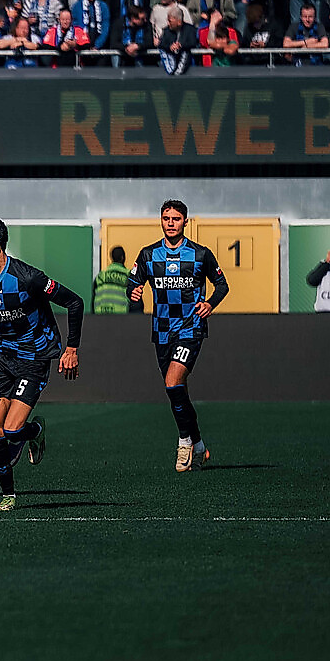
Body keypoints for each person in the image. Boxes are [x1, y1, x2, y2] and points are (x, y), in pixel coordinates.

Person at [0, 216, 83, 511]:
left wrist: (71, 348)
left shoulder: (28, 277)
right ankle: (9, 495)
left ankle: (34, 432)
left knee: (13, 430)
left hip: (33, 358)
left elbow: (75, 302)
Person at [124, 199, 229, 472]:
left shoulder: (200, 254)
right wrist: (133, 291)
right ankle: (199, 445)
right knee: (176, 391)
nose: (170, 223)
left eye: (176, 219)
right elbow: (132, 281)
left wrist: (210, 304)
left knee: (172, 382)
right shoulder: (148, 254)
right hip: (161, 331)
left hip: (190, 328)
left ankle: (184, 443)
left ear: (185, 222)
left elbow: (221, 285)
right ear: (161, 220)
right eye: (166, 218)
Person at [91, 245, 138, 313]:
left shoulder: (101, 276)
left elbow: (94, 298)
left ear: (111, 258)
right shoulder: (128, 276)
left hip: (100, 315)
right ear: (122, 257)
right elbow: (135, 302)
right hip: (121, 316)